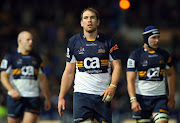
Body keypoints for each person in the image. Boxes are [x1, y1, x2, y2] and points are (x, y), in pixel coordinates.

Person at [58, 7, 122, 123]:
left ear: (98, 22)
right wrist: (61, 96)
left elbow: (117, 66)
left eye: (92, 18)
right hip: (82, 94)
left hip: (102, 94)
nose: (89, 20)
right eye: (86, 18)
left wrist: (112, 87)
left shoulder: (108, 42)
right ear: (81, 23)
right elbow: (68, 72)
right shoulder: (74, 42)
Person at [126, 26, 176, 123]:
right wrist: (133, 100)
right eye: (153, 38)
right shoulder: (135, 55)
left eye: (158, 37)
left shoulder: (164, 55)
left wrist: (171, 96)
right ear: (146, 39)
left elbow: (171, 74)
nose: (157, 40)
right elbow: (130, 80)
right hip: (141, 98)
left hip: (160, 98)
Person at [0, 31, 51, 123]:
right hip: (15, 97)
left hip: (33, 97)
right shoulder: (10, 56)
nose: (31, 42)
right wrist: (11, 90)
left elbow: (42, 79)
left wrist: (47, 97)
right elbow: (3, 76)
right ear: (20, 41)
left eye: (32, 40)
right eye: (28, 40)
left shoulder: (37, 58)